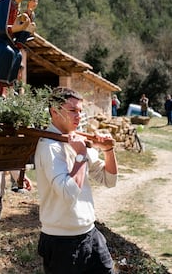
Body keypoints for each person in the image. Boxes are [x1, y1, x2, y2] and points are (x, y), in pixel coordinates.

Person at [34, 87, 118, 274]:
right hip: (61, 242)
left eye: (80, 111)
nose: (78, 116)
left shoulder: (77, 140)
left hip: (90, 233)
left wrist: (108, 150)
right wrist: (80, 156)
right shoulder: (49, 147)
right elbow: (68, 194)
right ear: (54, 111)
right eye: (72, 110)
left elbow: (109, 180)